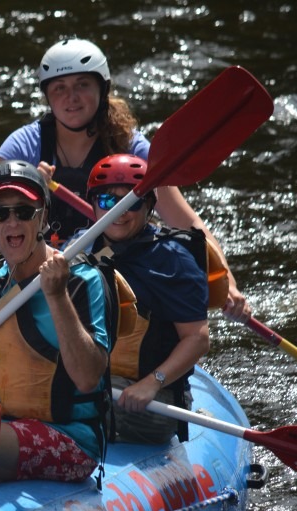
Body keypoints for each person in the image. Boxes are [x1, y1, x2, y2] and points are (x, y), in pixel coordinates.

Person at [0, 37, 250, 322]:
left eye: (82, 84)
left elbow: (183, 220)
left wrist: (226, 280)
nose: (72, 97)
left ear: (102, 89)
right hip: (42, 263)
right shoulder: (21, 149)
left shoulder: (133, 148)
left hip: (113, 263)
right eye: (60, 88)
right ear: (47, 96)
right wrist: (31, 190)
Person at [0, 161, 110, 502]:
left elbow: (87, 378)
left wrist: (56, 295)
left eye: (24, 211)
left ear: (42, 218)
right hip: (3, 426)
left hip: (69, 439)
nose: (12, 222)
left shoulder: (79, 282)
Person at [86, 155, 211, 443]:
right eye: (107, 201)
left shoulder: (172, 261)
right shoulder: (80, 249)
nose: (119, 212)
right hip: (94, 381)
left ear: (149, 206)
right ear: (92, 204)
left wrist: (151, 383)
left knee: (69, 401)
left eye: (131, 203)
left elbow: (197, 338)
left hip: (153, 400)